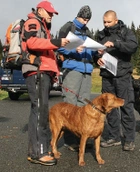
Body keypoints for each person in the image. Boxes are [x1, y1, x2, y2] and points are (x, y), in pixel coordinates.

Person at [22, 0, 69, 166]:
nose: (51, 16)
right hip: (37, 72)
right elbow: (31, 42)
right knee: (41, 113)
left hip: (42, 72)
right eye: (48, 12)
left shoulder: (43, 26)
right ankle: (40, 153)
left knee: (38, 111)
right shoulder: (33, 22)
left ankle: (34, 151)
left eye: (53, 13)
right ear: (40, 10)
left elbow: (43, 48)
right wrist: (56, 42)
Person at [96, 10, 138, 151]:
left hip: (123, 76)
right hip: (107, 76)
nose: (106, 25)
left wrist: (116, 43)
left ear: (115, 20)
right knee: (109, 109)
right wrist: (97, 58)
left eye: (108, 22)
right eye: (104, 22)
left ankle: (129, 139)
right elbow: (96, 52)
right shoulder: (101, 34)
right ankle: (114, 137)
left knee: (126, 107)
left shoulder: (126, 32)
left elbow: (133, 47)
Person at [57, 5, 96, 151]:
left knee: (83, 105)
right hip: (72, 68)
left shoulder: (87, 31)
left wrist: (97, 53)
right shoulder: (68, 27)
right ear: (78, 15)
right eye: (84, 19)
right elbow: (58, 46)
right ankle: (69, 141)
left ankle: (82, 140)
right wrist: (74, 49)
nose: (85, 22)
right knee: (70, 104)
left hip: (87, 70)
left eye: (88, 20)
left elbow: (90, 50)